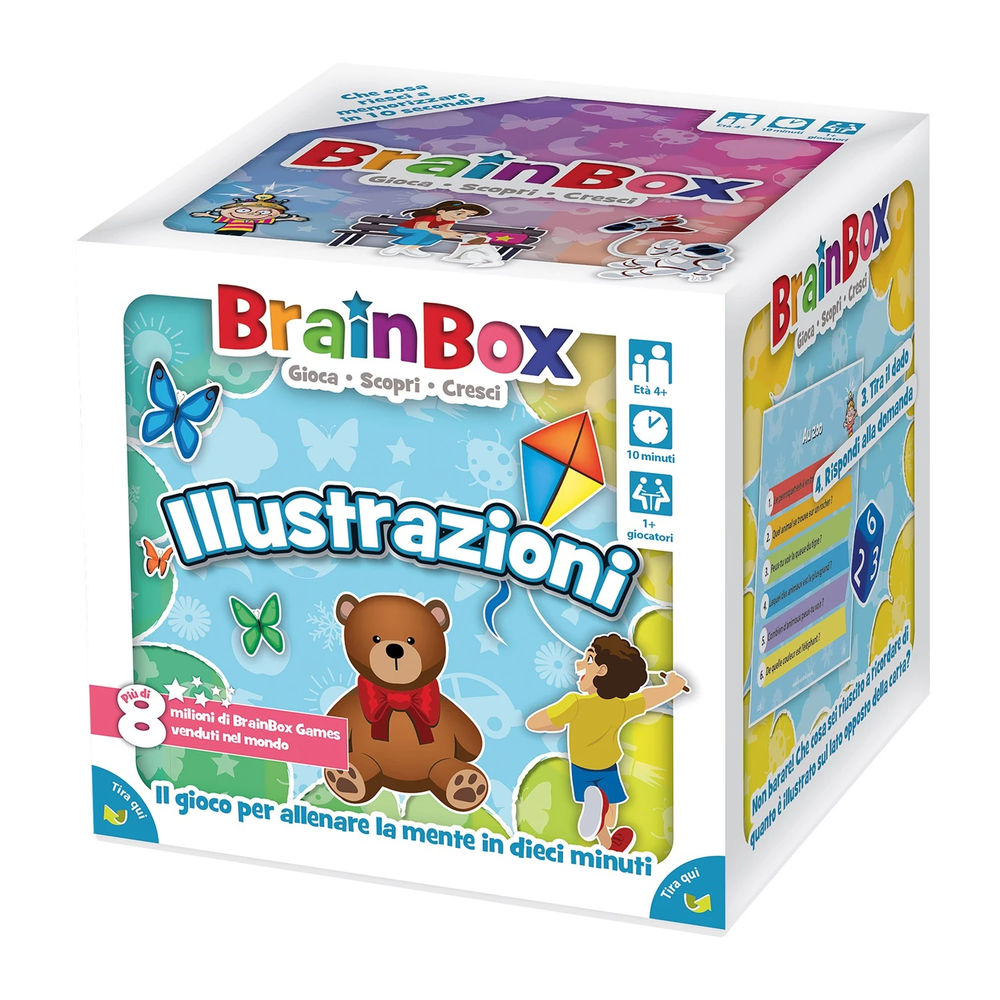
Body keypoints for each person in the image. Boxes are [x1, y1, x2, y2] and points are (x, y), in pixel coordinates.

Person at [526, 635, 688, 853]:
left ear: (602, 670)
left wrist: (556, 724)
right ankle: (604, 826)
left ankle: (605, 835)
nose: (579, 664)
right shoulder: (621, 706)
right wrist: (674, 687)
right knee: (610, 817)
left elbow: (533, 723)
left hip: (581, 768)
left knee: (605, 820)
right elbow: (650, 697)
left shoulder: (575, 703)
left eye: (588, 659)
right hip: (607, 767)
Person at [379, 200, 490, 257]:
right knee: (423, 233)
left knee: (436, 236)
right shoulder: (429, 216)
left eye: (468, 215)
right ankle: (398, 247)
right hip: (401, 229)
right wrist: (443, 233)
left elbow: (445, 231)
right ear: (441, 211)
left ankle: (412, 248)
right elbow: (420, 228)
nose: (463, 217)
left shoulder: (449, 220)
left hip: (420, 232)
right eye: (459, 213)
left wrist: (469, 235)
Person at [190, 193, 307, 235]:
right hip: (225, 229)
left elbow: (275, 220)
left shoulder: (258, 220)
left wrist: (292, 219)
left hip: (242, 231)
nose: (253, 214)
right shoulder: (229, 218)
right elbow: (216, 216)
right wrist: (205, 215)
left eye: (263, 212)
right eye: (243, 210)